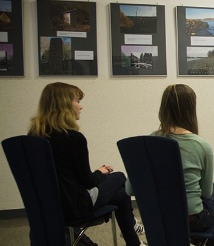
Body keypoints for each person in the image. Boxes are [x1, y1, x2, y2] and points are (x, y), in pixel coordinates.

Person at [28, 82, 146, 246]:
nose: (80, 106)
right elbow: (87, 182)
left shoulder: (34, 137)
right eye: (77, 101)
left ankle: (134, 241)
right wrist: (101, 171)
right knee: (119, 177)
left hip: (47, 207)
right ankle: (133, 229)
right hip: (75, 207)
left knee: (120, 195)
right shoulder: (73, 138)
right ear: (65, 104)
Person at [152, 84, 214, 246]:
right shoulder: (201, 146)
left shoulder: (148, 142)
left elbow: (130, 189)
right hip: (190, 219)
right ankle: (199, 239)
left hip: (157, 218)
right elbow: (205, 192)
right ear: (191, 109)